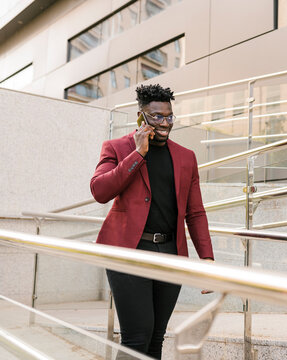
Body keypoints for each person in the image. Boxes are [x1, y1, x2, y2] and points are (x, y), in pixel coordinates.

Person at [90, 84, 214, 359]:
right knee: (137, 336)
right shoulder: (117, 147)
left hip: (170, 253)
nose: (165, 123)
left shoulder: (186, 157)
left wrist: (206, 258)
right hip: (128, 252)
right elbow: (100, 191)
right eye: (157, 116)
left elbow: (195, 212)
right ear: (141, 117)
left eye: (169, 116)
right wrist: (138, 154)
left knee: (157, 337)